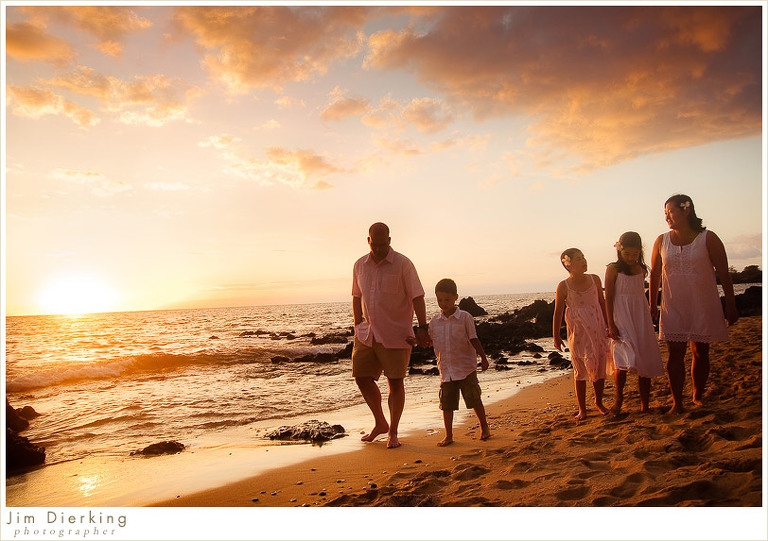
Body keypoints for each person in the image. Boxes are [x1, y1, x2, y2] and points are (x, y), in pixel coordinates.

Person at [649, 194, 738, 413]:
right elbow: (655, 276)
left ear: (686, 209)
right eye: (665, 213)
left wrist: (731, 304)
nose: (667, 217)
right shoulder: (662, 240)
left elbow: (724, 274)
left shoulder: (708, 238)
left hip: (702, 302)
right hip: (673, 304)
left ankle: (698, 394)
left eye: (671, 211)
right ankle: (677, 401)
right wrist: (652, 305)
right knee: (675, 352)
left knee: (700, 351)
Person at [352, 222, 430, 448]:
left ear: (389, 240)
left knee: (395, 382)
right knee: (361, 377)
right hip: (367, 334)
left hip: (396, 333)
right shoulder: (359, 265)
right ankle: (380, 423)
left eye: (382, 244)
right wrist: (358, 324)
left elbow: (417, 296)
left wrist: (422, 327)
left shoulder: (403, 264)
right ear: (368, 241)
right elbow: (356, 296)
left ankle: (393, 432)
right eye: (374, 244)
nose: (378, 248)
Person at [604, 232, 665, 414]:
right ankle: (618, 399)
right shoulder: (613, 269)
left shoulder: (642, 269)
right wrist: (610, 323)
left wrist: (652, 307)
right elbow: (609, 297)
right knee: (622, 358)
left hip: (640, 316)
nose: (631, 258)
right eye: (627, 254)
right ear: (620, 251)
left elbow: (641, 295)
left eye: (635, 254)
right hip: (620, 316)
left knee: (644, 358)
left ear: (640, 252)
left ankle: (645, 403)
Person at [428, 278, 491, 446]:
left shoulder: (465, 317)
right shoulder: (435, 321)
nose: (443, 303)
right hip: (446, 369)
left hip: (465, 367)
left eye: (447, 300)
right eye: (439, 300)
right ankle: (448, 435)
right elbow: (430, 341)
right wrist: (413, 340)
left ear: (455, 297)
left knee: (474, 399)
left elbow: (473, 339)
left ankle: (484, 427)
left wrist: (483, 358)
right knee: (446, 404)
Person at [553, 248, 611, 420]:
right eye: (578, 259)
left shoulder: (594, 279)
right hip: (578, 332)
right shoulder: (564, 286)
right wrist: (556, 335)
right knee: (580, 369)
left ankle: (599, 402)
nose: (584, 260)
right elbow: (558, 311)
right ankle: (582, 409)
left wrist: (609, 325)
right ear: (568, 265)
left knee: (599, 365)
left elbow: (602, 302)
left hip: (597, 328)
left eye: (583, 257)